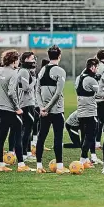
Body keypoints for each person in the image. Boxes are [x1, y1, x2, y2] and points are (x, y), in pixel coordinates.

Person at [0, 50, 28, 172]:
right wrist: (17, 108)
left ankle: (0, 165)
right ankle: (21, 165)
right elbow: (11, 92)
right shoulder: (14, 73)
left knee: (1, 138)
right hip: (11, 111)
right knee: (18, 137)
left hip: (2, 110)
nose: (19, 62)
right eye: (18, 60)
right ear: (14, 60)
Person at [35, 45, 67, 174]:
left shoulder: (42, 70)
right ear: (59, 56)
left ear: (49, 56)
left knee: (41, 137)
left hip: (43, 111)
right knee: (58, 138)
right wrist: (47, 108)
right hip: (56, 110)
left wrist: (41, 107)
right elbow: (58, 93)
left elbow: (36, 91)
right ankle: (59, 167)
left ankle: (38, 166)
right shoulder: (60, 71)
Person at [75, 58, 100, 166]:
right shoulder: (90, 79)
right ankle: (83, 159)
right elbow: (100, 93)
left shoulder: (79, 77)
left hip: (81, 111)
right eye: (97, 67)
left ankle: (86, 159)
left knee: (85, 135)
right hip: (90, 111)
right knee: (91, 135)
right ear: (92, 67)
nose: (98, 69)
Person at [18, 52, 37, 162]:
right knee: (27, 129)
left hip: (28, 103)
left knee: (27, 129)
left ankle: (27, 152)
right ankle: (24, 154)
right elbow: (26, 88)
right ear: (25, 59)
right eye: (31, 58)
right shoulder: (24, 71)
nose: (33, 60)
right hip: (26, 104)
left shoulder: (26, 71)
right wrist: (34, 81)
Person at [32, 58, 50, 151]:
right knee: (36, 122)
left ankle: (36, 142)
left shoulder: (41, 74)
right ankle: (34, 142)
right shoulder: (41, 76)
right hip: (37, 103)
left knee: (38, 122)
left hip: (38, 102)